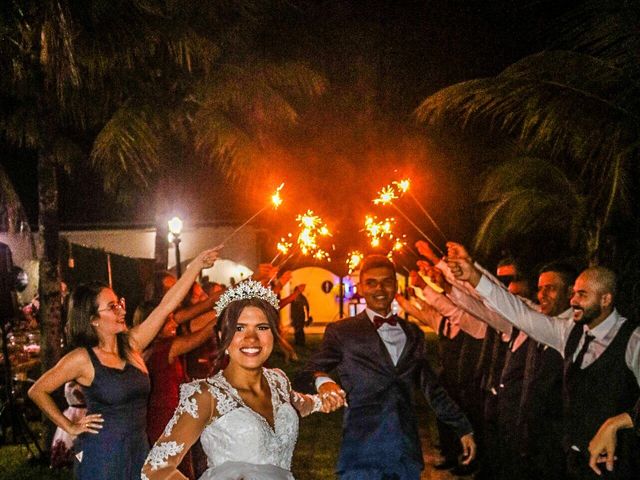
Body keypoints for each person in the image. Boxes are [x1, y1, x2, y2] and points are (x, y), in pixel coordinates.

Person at [447, 242, 640, 479]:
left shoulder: (633, 339)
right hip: (573, 462)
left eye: (582, 294)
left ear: (606, 299)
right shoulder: (570, 333)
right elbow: (519, 313)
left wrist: (617, 423)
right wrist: (474, 277)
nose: (573, 301)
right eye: (574, 293)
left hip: (616, 465)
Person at [28, 248, 220, 480]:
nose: (121, 309)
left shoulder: (131, 345)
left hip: (138, 450)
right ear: (93, 320)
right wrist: (70, 426)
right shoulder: (82, 358)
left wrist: (195, 266)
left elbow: (165, 306)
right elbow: (37, 390)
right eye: (111, 306)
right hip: (103, 456)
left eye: (118, 302)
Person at [294, 254, 476, 480]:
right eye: (371, 282)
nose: (379, 288)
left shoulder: (414, 334)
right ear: (360, 287)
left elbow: (433, 389)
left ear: (395, 285)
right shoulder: (342, 332)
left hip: (405, 455)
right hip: (361, 454)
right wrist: (323, 381)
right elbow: (306, 372)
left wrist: (463, 427)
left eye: (386, 281)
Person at [141, 279, 341, 480]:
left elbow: (297, 404)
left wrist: (321, 401)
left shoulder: (278, 380)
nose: (251, 338)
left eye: (262, 327)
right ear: (222, 335)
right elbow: (156, 468)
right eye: (239, 328)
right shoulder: (207, 396)